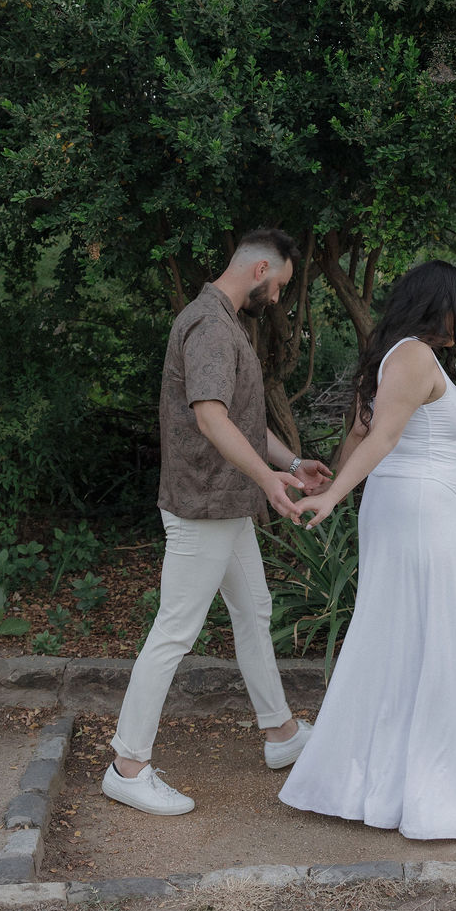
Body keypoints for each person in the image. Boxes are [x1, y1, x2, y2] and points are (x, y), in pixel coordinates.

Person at [102, 228, 332, 816]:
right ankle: (128, 765)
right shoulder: (209, 325)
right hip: (204, 506)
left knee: (253, 612)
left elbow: (242, 423)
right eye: (279, 285)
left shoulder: (226, 322)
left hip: (225, 507)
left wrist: (292, 463)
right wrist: (267, 480)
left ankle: (280, 735)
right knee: (176, 630)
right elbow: (210, 419)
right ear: (259, 271)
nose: (279, 298)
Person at [279, 259, 456, 840]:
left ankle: (378, 780)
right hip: (420, 512)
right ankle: (422, 787)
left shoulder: (391, 355)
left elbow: (358, 435)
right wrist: (333, 499)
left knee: (399, 635)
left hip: (411, 508)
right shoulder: (415, 357)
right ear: (437, 303)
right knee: (427, 636)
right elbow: (385, 437)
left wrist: (334, 483)